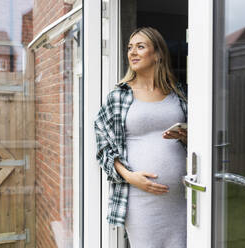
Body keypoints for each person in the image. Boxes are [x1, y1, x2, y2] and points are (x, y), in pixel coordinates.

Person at [94, 27, 188, 248]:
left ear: (157, 55)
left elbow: (196, 143)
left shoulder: (179, 93)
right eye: (129, 47)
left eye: (140, 46)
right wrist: (129, 177)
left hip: (181, 199)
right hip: (140, 200)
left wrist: (185, 137)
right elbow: (103, 147)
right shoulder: (119, 96)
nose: (132, 52)